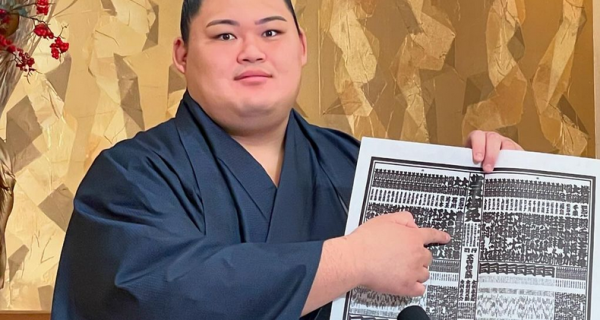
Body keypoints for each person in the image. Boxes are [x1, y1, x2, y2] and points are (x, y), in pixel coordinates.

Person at [50, 0, 524, 319]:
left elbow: (456, 279)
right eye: (224, 37)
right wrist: (351, 260)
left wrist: (502, 186)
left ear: (300, 47)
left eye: (271, 32)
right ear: (182, 54)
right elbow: (160, 293)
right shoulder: (130, 176)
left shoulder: (355, 163)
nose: (252, 51)